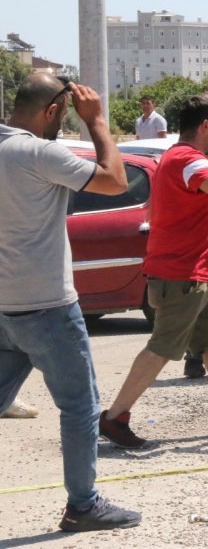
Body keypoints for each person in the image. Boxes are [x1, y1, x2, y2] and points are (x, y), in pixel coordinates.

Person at [0, 73, 141, 531]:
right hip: (48, 306)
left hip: (4, 306)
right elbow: (116, 180)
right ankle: (83, 506)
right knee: (81, 406)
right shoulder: (39, 152)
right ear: (53, 111)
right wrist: (98, 122)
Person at [99, 97, 208, 449]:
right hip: (182, 275)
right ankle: (115, 416)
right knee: (162, 347)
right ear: (205, 126)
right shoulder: (189, 160)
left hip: (198, 274)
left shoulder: (179, 159)